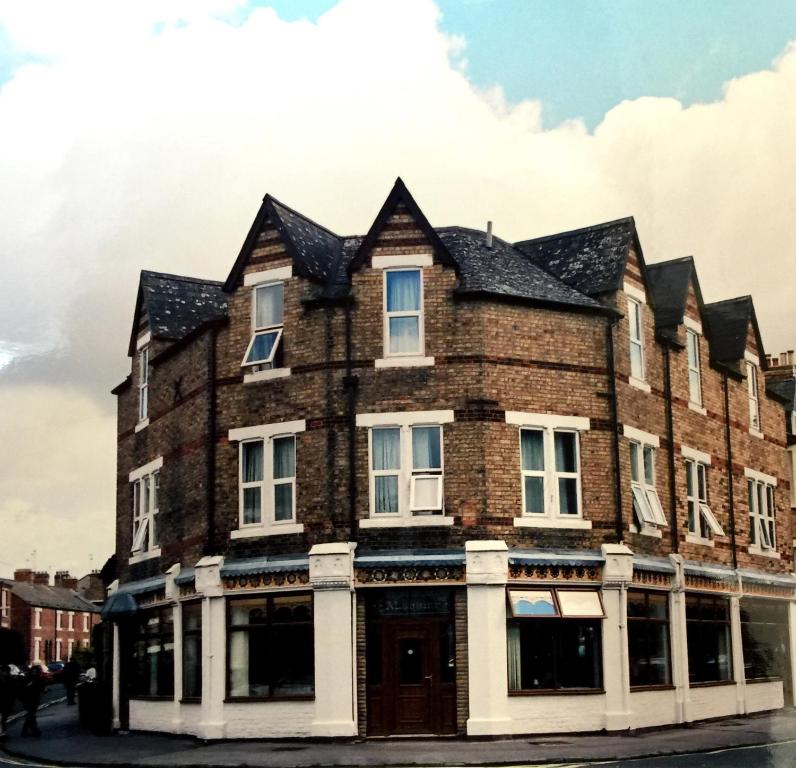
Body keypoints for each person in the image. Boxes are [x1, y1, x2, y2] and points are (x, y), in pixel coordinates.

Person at [20, 665, 44, 737]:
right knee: (31, 716)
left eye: (36, 671)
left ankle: (25, 731)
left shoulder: (37, 679)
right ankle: (34, 731)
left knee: (30, 716)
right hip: (28, 699)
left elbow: (40, 688)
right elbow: (24, 689)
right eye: (33, 671)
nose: (34, 672)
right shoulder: (29, 679)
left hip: (34, 699)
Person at [0, 664, 16, 738]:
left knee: (4, 717)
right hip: (2, 701)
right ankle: (1, 732)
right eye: (4, 671)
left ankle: (3, 731)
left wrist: (12, 702)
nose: (6, 673)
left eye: (7, 671)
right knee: (1, 718)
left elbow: (13, 692)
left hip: (7, 701)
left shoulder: (10, 679)